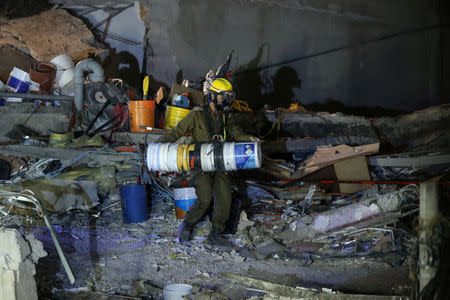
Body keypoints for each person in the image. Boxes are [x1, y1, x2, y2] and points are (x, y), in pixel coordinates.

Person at [159, 78, 259, 246]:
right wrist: (158, 148)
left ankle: (216, 233)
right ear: (212, 97)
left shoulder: (226, 117)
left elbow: (236, 132)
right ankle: (187, 225)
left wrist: (250, 139)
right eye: (223, 97)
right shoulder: (197, 114)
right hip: (200, 163)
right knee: (205, 197)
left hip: (220, 162)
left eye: (228, 97)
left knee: (224, 194)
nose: (226, 101)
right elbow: (177, 132)